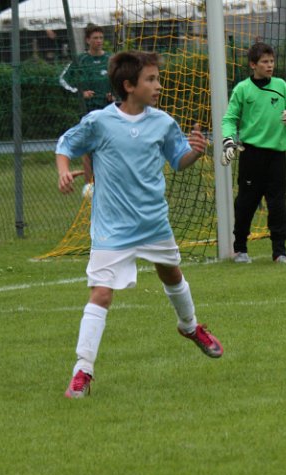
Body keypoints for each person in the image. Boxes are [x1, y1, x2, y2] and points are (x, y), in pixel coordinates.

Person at [55, 51, 223, 399]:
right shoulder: (100, 122)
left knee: (171, 274)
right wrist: (61, 171)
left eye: (157, 78)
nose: (158, 85)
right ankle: (82, 370)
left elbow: (178, 160)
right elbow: (66, 144)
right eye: (151, 79)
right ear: (129, 86)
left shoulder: (162, 123)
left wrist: (196, 151)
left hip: (152, 222)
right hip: (111, 229)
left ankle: (190, 327)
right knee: (101, 293)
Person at [221, 42, 286, 265]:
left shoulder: (281, 86)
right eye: (265, 62)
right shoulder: (242, 89)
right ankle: (240, 249)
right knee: (246, 203)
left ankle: (280, 252)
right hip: (251, 154)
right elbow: (230, 118)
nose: (270, 66)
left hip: (277, 156)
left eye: (271, 61)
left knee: (278, 203)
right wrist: (228, 140)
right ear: (253, 65)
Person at [59, 24, 114, 116]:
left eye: (101, 38)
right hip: (86, 110)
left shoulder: (111, 59)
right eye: (95, 38)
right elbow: (62, 80)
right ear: (88, 40)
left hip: (108, 109)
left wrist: (115, 95)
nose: (99, 41)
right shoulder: (80, 60)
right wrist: (80, 93)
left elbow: (122, 81)